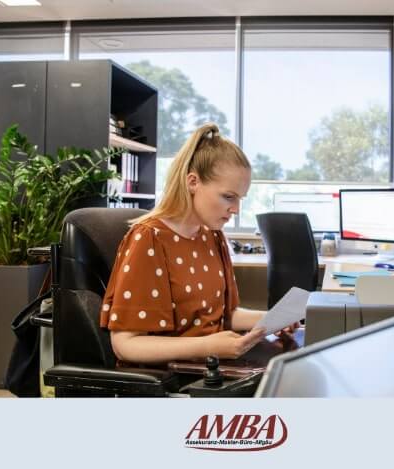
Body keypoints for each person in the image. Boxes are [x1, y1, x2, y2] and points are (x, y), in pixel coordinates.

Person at [99, 123, 296, 365]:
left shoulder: (211, 236)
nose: (236, 209)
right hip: (173, 374)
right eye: (228, 196)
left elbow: (225, 315)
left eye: (240, 199)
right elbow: (126, 345)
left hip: (210, 364)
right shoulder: (149, 238)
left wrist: (270, 320)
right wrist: (208, 346)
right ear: (193, 182)